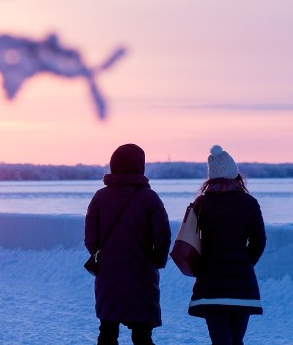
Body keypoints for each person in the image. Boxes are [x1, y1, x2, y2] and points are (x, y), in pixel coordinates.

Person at [84, 144, 171, 345]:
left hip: (109, 273)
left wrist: (103, 256)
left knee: (107, 332)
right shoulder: (149, 198)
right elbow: (163, 235)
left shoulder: (99, 197)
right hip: (141, 273)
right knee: (142, 336)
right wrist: (156, 260)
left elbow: (90, 238)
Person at [187, 146, 267, 345]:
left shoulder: (200, 204)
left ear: (210, 178)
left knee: (220, 341)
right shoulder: (249, 203)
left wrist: (200, 269)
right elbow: (259, 241)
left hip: (210, 285)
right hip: (242, 285)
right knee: (235, 341)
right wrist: (245, 263)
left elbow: (188, 242)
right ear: (234, 174)